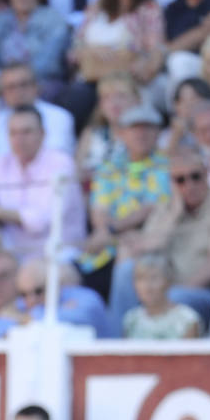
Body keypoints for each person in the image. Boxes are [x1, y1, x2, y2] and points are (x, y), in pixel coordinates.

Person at [108, 145, 210, 328]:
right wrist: (174, 213)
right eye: (180, 180)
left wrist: (168, 298)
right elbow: (145, 248)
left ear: (207, 174)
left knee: (176, 298)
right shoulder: (167, 208)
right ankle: (117, 341)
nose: (189, 185)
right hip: (160, 290)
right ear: (171, 183)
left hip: (203, 293)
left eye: (195, 176)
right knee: (125, 270)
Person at [0, 104, 86, 269]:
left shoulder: (61, 163)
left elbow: (40, 220)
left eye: (26, 132)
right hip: (15, 254)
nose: (19, 139)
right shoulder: (3, 163)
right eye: (13, 133)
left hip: (58, 255)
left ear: (42, 134)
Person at [64, 0, 164, 131]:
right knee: (77, 97)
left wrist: (131, 61)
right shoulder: (95, 8)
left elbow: (154, 49)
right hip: (90, 78)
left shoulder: (148, 9)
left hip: (126, 79)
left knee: (115, 98)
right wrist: (91, 53)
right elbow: (74, 50)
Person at [76, 103, 170, 297]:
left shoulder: (166, 166)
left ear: (158, 133)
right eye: (134, 128)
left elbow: (151, 207)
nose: (141, 134)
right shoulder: (108, 168)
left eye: (147, 128)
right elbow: (99, 210)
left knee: (125, 264)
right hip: (105, 246)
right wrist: (107, 231)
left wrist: (111, 230)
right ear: (121, 133)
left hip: (144, 242)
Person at [0, 62, 76, 164]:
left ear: (36, 86)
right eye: (11, 87)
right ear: (3, 92)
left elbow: (55, 157)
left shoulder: (59, 117)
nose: (18, 92)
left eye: (23, 85)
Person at [14, 255, 113, 336]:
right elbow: (7, 318)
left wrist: (30, 316)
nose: (31, 300)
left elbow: (78, 317)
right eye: (23, 294)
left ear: (56, 284)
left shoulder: (87, 298)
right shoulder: (22, 304)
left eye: (38, 291)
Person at [74, 71, 139, 185]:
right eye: (107, 97)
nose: (114, 103)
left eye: (121, 96)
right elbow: (76, 174)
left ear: (136, 100)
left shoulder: (145, 134)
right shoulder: (90, 134)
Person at [122, 252, 202, 337]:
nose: (147, 286)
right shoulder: (131, 320)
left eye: (154, 278)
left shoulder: (187, 320)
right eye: (140, 278)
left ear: (168, 281)